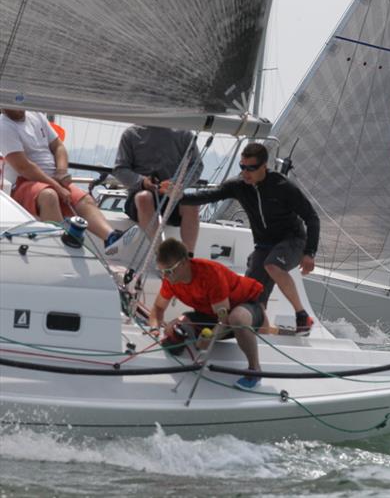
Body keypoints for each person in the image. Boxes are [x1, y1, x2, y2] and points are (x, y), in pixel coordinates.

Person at [180, 142, 320, 334]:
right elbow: (209, 196)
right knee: (250, 298)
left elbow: (312, 218)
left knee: (272, 265)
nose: (246, 172)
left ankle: (302, 317)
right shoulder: (238, 186)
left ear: (264, 166)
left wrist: (310, 252)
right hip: (264, 245)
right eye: (242, 167)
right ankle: (263, 333)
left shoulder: (282, 186)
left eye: (251, 168)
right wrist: (177, 197)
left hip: (292, 241)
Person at [147, 238, 267, 390]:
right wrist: (154, 328)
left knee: (236, 318)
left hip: (246, 309)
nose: (165, 276)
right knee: (174, 327)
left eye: (169, 271)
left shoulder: (209, 273)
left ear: (184, 262)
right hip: (212, 315)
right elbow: (158, 308)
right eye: (162, 271)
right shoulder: (170, 280)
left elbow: (224, 318)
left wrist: (210, 338)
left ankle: (255, 371)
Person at [0, 109, 121, 247]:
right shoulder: (3, 126)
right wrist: (57, 186)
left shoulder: (36, 115)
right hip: (23, 182)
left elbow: (58, 146)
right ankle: (60, 246)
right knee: (49, 195)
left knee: (84, 199)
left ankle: (111, 238)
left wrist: (61, 172)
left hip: (52, 178)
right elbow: (23, 167)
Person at [113, 125, 202, 254]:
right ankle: (162, 256)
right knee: (144, 197)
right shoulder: (131, 134)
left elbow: (196, 165)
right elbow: (120, 169)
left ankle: (188, 259)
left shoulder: (185, 135)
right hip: (140, 198)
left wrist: (177, 183)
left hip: (171, 196)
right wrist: (142, 182)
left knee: (192, 204)